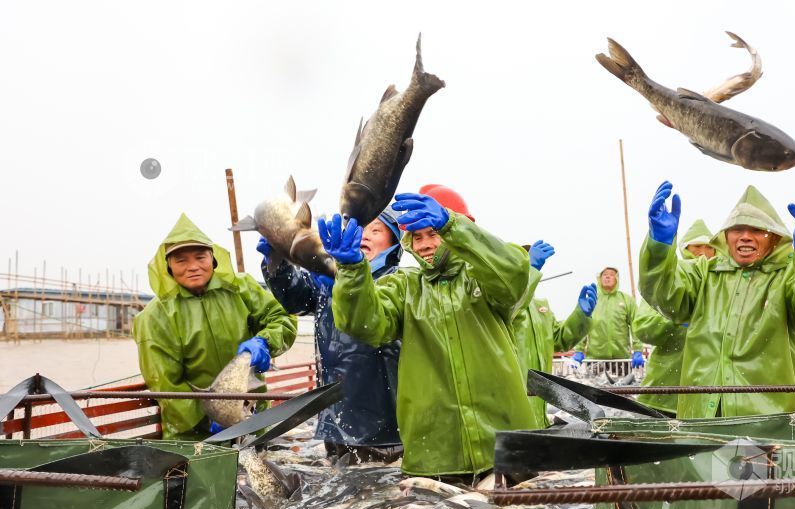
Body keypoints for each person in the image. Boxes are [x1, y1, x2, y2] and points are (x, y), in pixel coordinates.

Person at [326, 184, 537, 480]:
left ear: (464, 226)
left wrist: (453, 226)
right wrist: (351, 271)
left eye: (434, 233)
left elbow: (514, 272)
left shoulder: (485, 279)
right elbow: (363, 324)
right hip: (435, 457)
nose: (424, 244)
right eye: (416, 236)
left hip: (507, 447)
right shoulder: (404, 286)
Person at [639, 180, 795, 418]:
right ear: (725, 236)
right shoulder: (703, 274)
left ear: (774, 237)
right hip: (699, 416)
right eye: (737, 230)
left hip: (770, 420)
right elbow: (661, 294)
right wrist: (659, 246)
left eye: (756, 230)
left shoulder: (788, 276)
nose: (745, 237)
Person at [133, 213, 297, 439]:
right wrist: (215, 417)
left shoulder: (241, 287)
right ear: (168, 266)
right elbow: (167, 387)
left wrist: (265, 342)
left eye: (201, 257)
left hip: (252, 419)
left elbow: (282, 319)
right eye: (181, 261)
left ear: (213, 259)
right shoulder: (154, 317)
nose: (193, 267)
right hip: (196, 435)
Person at [257, 210, 403, 462]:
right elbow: (294, 298)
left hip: (384, 423)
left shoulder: (397, 283)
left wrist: (352, 284)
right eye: (357, 229)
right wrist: (278, 262)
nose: (363, 235)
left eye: (375, 230)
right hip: (334, 418)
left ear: (394, 244)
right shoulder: (326, 283)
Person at [632, 219, 714, 415]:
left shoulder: (722, 281)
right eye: (697, 246)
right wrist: (675, 319)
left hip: (709, 393)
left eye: (708, 246)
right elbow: (642, 327)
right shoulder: (669, 280)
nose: (703, 251)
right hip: (665, 387)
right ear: (685, 247)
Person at [512, 240, 597, 426]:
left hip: (538, 402)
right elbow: (512, 303)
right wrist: (525, 274)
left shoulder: (541, 306)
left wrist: (581, 315)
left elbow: (560, 339)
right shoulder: (504, 304)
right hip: (511, 400)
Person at [572, 266, 643, 369]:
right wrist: (578, 350)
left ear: (617, 279)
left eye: (611, 275)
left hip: (622, 361)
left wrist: (638, 350)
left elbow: (636, 325)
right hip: (594, 361)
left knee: (623, 384)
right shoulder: (591, 300)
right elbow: (582, 326)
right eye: (605, 275)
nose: (607, 277)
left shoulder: (627, 300)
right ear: (599, 278)